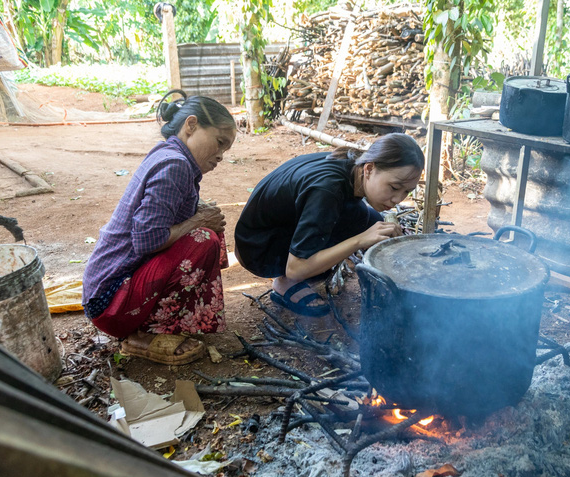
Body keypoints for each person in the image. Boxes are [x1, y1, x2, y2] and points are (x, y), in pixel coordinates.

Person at [82, 89, 235, 365]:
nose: (221, 155)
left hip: (108, 292)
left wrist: (200, 216)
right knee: (204, 238)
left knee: (208, 226)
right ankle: (143, 334)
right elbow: (146, 241)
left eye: (226, 149)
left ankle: (163, 321)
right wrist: (198, 220)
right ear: (191, 125)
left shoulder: (171, 156)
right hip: (111, 303)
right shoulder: (175, 165)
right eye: (220, 143)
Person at [234, 133, 424, 317]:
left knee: (374, 223)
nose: (399, 199)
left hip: (273, 230)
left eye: (407, 191)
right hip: (260, 249)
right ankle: (285, 284)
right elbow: (296, 268)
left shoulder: (351, 165)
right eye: (394, 187)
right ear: (369, 169)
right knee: (363, 231)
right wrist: (359, 241)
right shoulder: (328, 190)